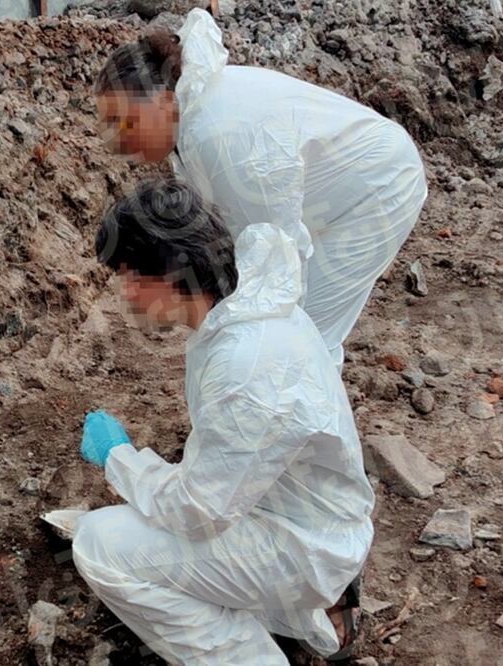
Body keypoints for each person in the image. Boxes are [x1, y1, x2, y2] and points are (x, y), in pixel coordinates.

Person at [72, 179, 375, 665]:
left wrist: (120, 459)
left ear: (173, 273)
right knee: (153, 525)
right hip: (296, 516)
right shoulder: (243, 309)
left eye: (130, 277)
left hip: (303, 546)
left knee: (100, 544)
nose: (124, 294)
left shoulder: (248, 363)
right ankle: (298, 619)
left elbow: (199, 512)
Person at [95, 9, 428, 371]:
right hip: (332, 194)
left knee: (305, 333)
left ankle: (304, 420)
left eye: (124, 121)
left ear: (160, 99)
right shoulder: (192, 123)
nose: (118, 139)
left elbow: (276, 251)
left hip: (377, 188)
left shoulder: (217, 135)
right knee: (276, 327)